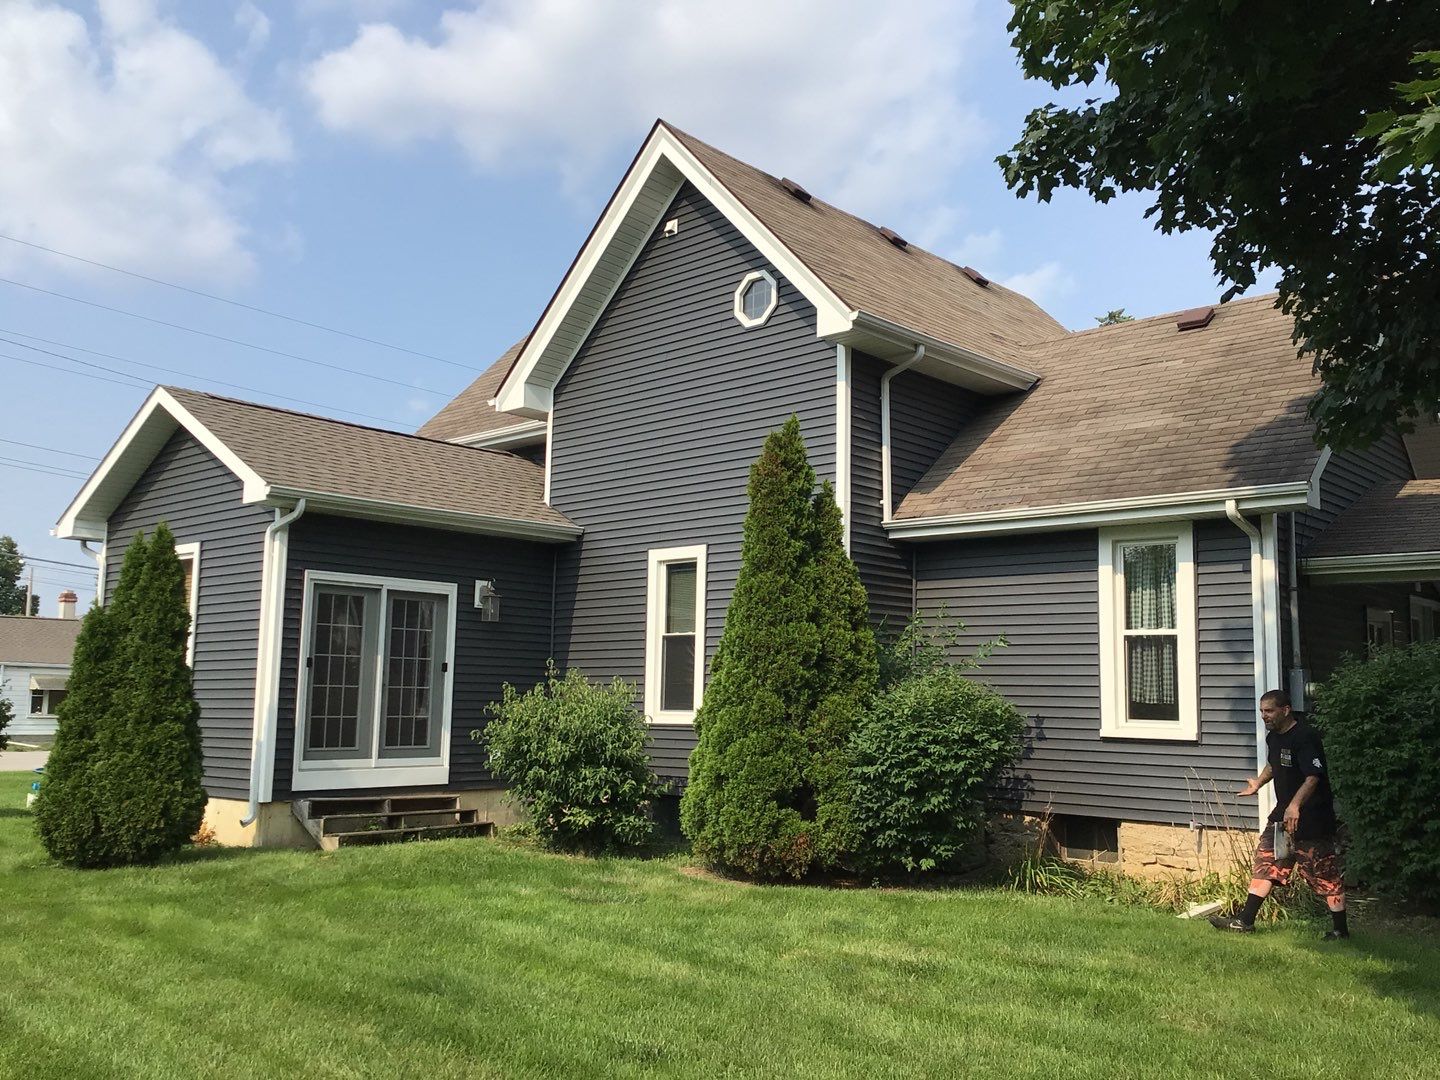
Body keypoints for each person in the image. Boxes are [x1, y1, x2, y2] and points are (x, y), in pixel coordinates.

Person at [1211, 689, 1349, 939]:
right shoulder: (1273, 737)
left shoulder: (1306, 737)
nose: (1264, 716)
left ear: (1286, 710)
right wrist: (1258, 783)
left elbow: (1312, 777)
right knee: (1266, 863)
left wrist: (1295, 806)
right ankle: (1245, 921)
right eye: (1262, 711)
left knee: (1322, 872)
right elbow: (1274, 765)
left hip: (1312, 819)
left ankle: (1340, 930)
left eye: (1269, 711)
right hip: (1282, 816)